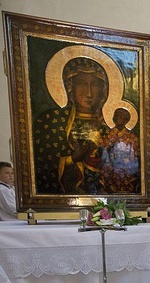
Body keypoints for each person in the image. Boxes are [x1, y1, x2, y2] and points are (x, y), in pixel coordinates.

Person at [33, 57, 110, 194]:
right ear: (70, 87)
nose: (89, 93)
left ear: (103, 89)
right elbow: (42, 165)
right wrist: (71, 159)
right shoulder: (52, 120)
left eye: (95, 85)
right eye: (81, 84)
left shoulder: (109, 126)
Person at [100, 107, 141, 193]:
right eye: (117, 116)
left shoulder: (132, 136)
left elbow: (136, 154)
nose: (119, 119)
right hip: (111, 166)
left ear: (126, 120)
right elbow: (103, 149)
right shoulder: (108, 133)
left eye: (121, 117)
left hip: (126, 168)